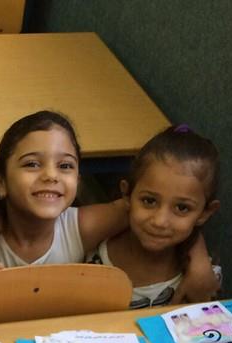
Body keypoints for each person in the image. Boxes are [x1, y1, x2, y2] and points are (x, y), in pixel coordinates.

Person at [0, 110, 219, 298]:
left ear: (78, 181)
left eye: (65, 166)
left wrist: (199, 262)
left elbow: (164, 216)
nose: (51, 175)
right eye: (32, 164)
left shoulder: (82, 227)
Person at [88, 126, 221, 307]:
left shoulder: (203, 281)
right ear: (126, 195)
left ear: (205, 213)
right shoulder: (91, 246)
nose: (160, 221)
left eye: (182, 208)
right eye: (149, 201)